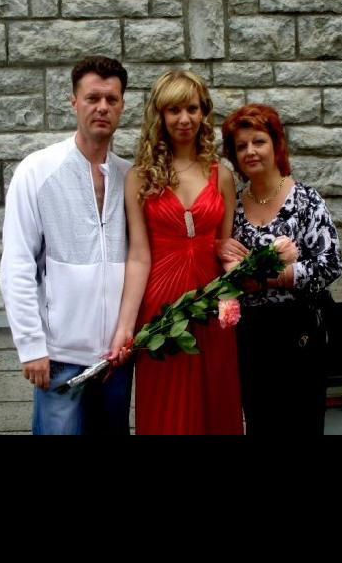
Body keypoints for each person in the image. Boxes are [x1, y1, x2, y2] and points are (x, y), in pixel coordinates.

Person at [0, 55, 134, 435]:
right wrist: (31, 345)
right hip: (59, 356)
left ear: (122, 105)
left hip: (115, 357)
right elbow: (17, 263)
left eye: (111, 99)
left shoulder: (129, 177)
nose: (102, 107)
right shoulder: (37, 170)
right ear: (74, 102)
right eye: (92, 98)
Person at [111, 70, 244, 434]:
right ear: (161, 115)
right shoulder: (139, 177)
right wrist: (126, 328)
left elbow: (226, 250)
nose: (184, 119)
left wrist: (231, 295)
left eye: (192, 108)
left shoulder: (222, 175)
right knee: (168, 410)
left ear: (203, 112)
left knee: (215, 403)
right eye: (174, 110)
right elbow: (139, 255)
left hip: (211, 307)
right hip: (161, 310)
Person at [219, 104, 342, 435]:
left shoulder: (305, 201)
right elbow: (223, 263)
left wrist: (271, 278)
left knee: (301, 423)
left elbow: (331, 263)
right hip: (252, 337)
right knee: (261, 423)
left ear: (276, 144)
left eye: (258, 141)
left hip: (298, 332)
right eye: (241, 146)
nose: (250, 151)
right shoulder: (235, 207)